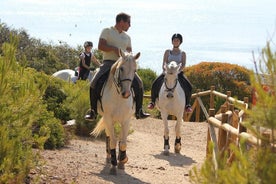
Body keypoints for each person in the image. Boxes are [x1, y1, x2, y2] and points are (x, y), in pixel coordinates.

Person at [85, 12, 150, 121]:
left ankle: (139, 111)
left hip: (123, 63)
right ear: (121, 22)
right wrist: (115, 49)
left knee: (139, 83)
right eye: (128, 22)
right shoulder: (107, 31)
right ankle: (93, 111)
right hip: (108, 62)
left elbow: (129, 51)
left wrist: (130, 57)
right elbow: (101, 46)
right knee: (94, 83)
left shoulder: (127, 37)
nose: (130, 25)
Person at [147, 33, 193, 112]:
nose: (175, 42)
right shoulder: (167, 52)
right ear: (172, 42)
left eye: (177, 40)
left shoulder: (183, 53)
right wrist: (165, 70)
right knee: (155, 83)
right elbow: (164, 63)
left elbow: (183, 64)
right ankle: (152, 102)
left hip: (178, 73)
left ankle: (187, 105)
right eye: (174, 40)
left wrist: (177, 72)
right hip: (167, 72)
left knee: (189, 86)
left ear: (180, 42)